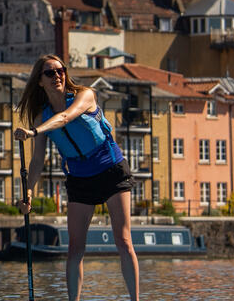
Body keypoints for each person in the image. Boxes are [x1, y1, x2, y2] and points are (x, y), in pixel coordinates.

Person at [13, 54, 139, 301]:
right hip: (80, 178)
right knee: (74, 248)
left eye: (61, 71)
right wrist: (27, 193)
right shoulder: (41, 115)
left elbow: (66, 117)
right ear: (40, 81)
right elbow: (37, 161)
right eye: (50, 73)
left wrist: (34, 131)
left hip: (110, 169)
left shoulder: (85, 95)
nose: (57, 76)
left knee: (123, 240)